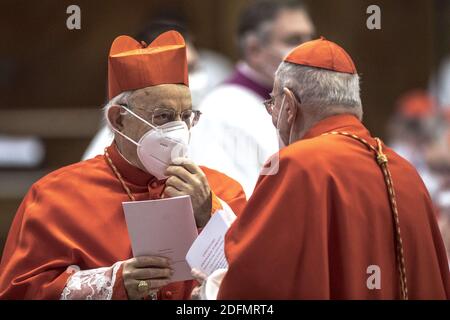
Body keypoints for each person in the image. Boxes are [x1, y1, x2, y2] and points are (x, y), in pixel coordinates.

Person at [194, 37, 450, 299]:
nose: (273, 116)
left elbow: (257, 284)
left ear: (290, 106)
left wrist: (211, 291)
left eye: (273, 104)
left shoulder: (297, 165)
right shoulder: (405, 171)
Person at [0, 31, 246, 299]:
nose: (178, 129)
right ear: (118, 120)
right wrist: (112, 282)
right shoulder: (54, 196)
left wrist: (208, 213)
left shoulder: (223, 190)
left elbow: (256, 278)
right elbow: (20, 291)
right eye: (163, 116)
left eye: (186, 116)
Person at [189, 0, 315, 198]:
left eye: (309, 39)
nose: (309, 50)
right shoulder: (223, 109)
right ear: (254, 50)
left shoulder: (304, 103)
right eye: (294, 40)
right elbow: (231, 203)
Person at [82, 18, 233, 160]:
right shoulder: (105, 148)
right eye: (182, 69)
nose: (189, 80)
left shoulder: (215, 129)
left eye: (193, 69)